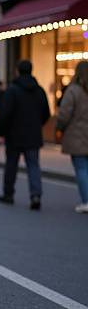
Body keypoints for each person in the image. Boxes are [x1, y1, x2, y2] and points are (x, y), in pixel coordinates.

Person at [0, 60, 50, 210]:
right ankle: (35, 195)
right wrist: (37, 124)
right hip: (33, 134)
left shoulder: (13, 90)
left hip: (14, 134)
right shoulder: (39, 90)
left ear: (17, 71)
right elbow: (46, 112)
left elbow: (5, 114)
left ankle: (8, 194)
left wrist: (1, 133)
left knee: (11, 165)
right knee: (33, 165)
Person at [55, 61, 88, 213]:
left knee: (81, 168)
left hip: (77, 135)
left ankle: (86, 201)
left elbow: (64, 114)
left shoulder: (74, 90)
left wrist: (59, 128)